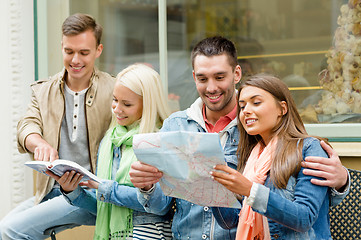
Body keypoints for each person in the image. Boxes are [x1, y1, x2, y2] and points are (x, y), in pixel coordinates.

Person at [129, 36, 350, 240]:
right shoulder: (181, 127)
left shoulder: (262, 138)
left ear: (236, 74)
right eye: (243, 106)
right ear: (194, 77)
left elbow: (306, 211)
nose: (212, 87)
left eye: (219, 77)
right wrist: (151, 187)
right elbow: (228, 216)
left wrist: (342, 181)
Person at [0, 13, 115, 239]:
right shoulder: (43, 90)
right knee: (4, 230)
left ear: (98, 50)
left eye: (84, 53)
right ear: (61, 46)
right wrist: (38, 142)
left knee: (9, 231)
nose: (75, 60)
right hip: (50, 191)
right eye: (69, 51)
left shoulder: (114, 89)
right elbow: (26, 125)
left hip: (91, 194)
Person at [47, 63, 173, 239]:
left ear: (148, 104)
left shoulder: (159, 140)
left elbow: (161, 205)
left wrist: (106, 188)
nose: (117, 109)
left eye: (127, 104)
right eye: (115, 100)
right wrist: (72, 191)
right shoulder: (110, 140)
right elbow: (102, 206)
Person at [210, 74, 336, 239]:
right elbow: (231, 221)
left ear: (282, 109)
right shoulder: (251, 154)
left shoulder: (309, 149)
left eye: (256, 103)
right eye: (242, 106)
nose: (246, 111)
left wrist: (250, 190)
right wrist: (210, 190)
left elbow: (304, 218)